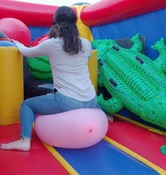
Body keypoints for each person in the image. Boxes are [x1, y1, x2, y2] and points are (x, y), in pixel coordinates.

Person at [0, 6, 100, 151]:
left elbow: (26, 52)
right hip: (91, 100)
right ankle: (103, 114)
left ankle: (25, 140)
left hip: (68, 101)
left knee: (27, 105)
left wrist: (17, 43)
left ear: (55, 23)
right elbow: (88, 56)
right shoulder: (85, 44)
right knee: (82, 94)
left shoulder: (51, 44)